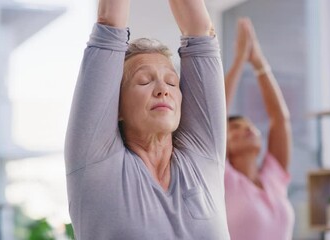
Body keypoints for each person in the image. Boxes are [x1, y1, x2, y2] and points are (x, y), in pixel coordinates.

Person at [64, 0, 229, 239]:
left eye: (172, 82)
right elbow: (110, 22)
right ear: (116, 106)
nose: (163, 90)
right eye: (144, 81)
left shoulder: (203, 156)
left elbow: (201, 34)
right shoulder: (97, 162)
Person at [224, 18, 294, 240]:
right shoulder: (223, 178)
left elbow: (280, 120)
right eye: (235, 127)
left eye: (249, 125)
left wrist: (259, 62)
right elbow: (211, 115)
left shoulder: (273, 176)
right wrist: (239, 61)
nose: (246, 129)